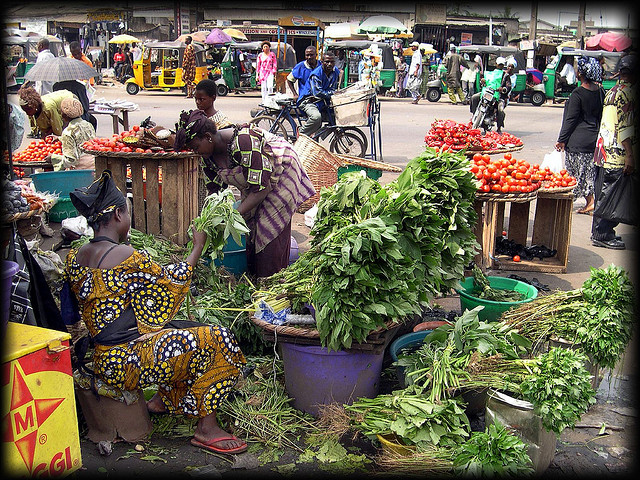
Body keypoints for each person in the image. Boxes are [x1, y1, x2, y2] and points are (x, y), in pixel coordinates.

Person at [62, 170, 248, 455]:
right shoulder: (125, 256)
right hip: (126, 363)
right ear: (117, 216)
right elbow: (169, 284)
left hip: (104, 358)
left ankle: (162, 402)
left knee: (179, 330)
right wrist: (196, 247)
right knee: (219, 339)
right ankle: (206, 429)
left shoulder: (76, 257)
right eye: (128, 211)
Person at [174, 109, 316, 277]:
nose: (196, 152)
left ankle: (272, 279)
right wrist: (206, 221)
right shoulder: (208, 157)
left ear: (207, 137)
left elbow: (262, 190)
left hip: (281, 174)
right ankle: (256, 275)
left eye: (196, 147)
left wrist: (229, 218)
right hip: (257, 183)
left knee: (268, 231)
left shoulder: (243, 141)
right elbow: (214, 192)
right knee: (250, 230)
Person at [590, 54, 637, 250]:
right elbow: (625, 126)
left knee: (604, 195)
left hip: (603, 152)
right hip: (616, 154)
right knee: (612, 196)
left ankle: (600, 232)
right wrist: (630, 154)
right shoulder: (628, 93)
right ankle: (603, 233)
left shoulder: (612, 91)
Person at [555, 56, 605, 215]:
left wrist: (561, 140)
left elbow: (570, 119)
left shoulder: (578, 93)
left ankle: (588, 202)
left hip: (578, 141)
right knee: (589, 173)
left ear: (582, 73)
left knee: (576, 174)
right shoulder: (600, 92)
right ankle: (591, 202)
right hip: (593, 139)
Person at [47, 97, 96, 171]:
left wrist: (53, 158)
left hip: (80, 171)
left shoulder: (68, 132)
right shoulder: (88, 125)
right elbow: (81, 139)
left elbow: (71, 160)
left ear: (64, 115)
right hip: (94, 165)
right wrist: (59, 138)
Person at [286, 45, 321, 136]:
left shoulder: (321, 65)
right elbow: (289, 79)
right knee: (316, 117)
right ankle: (301, 133)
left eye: (311, 55)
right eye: (307, 55)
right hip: (305, 99)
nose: (309, 57)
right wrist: (295, 94)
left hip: (319, 99)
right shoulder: (300, 66)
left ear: (316, 55)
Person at [469, 57, 511, 133]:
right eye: (499, 64)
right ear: (496, 64)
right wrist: (482, 81)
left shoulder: (505, 75)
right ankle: (474, 113)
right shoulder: (490, 73)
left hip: (498, 96)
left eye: (502, 65)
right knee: (474, 98)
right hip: (486, 93)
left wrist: (503, 89)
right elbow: (483, 81)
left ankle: (499, 127)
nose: (500, 66)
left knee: (500, 110)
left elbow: (508, 86)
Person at [309, 51, 340, 125]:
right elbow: (317, 93)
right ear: (322, 62)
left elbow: (333, 87)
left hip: (326, 101)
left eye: (332, 62)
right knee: (316, 117)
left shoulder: (335, 71)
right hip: (312, 101)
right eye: (327, 62)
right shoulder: (316, 74)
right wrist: (333, 93)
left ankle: (323, 133)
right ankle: (302, 133)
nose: (329, 64)